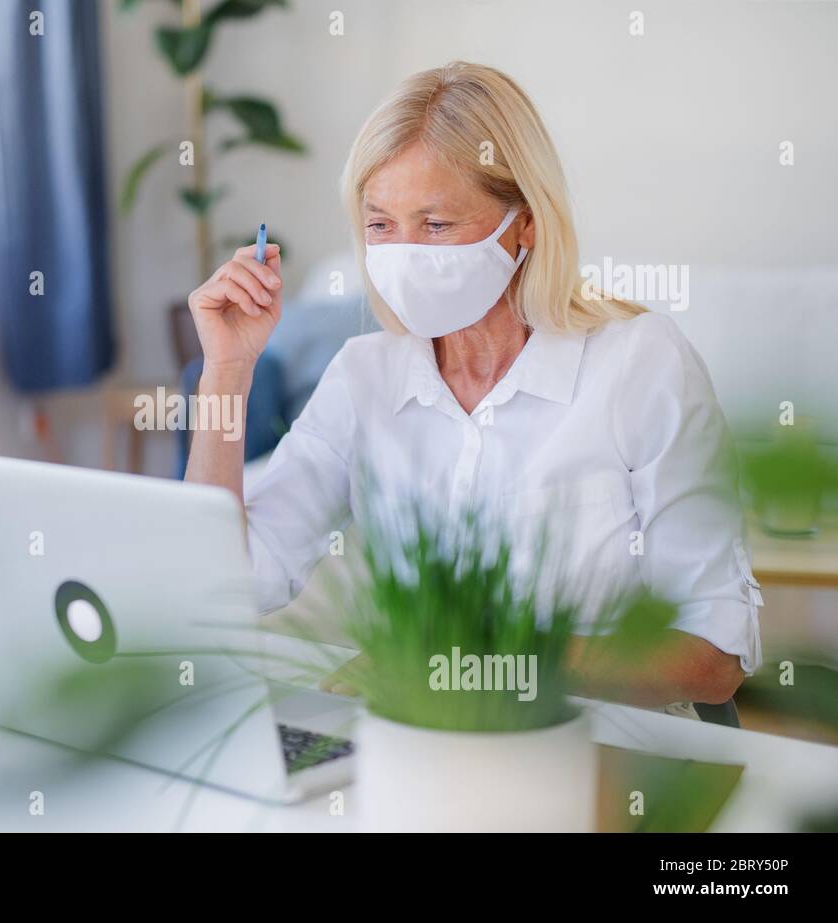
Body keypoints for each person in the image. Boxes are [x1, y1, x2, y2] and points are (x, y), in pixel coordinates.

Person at [183, 62, 760, 708]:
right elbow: (226, 584)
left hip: (601, 760)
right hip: (418, 752)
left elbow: (713, 655)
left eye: (435, 224)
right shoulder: (363, 375)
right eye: (380, 225)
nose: (403, 253)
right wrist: (226, 372)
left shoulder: (642, 365)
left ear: (527, 222)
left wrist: (467, 660)